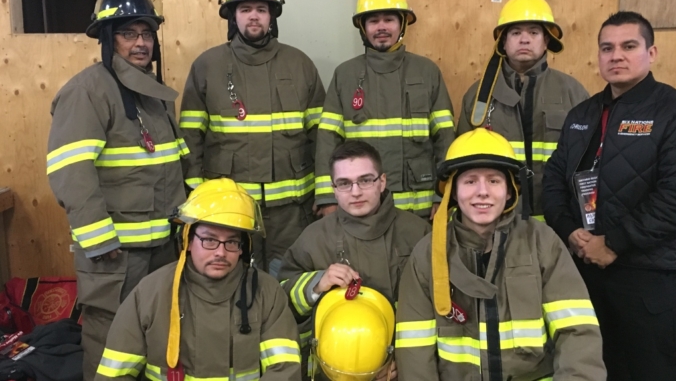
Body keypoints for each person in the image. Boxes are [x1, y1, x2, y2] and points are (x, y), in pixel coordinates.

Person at [543, 11, 676, 381]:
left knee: (649, 371)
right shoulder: (582, 114)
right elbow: (552, 179)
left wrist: (613, 242)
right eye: (607, 48)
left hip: (645, 279)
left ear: (652, 52)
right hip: (582, 270)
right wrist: (569, 231)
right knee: (592, 368)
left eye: (629, 46)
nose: (617, 56)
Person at [46, 0, 187, 380]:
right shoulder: (87, 91)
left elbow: (172, 170)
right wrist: (98, 238)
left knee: (156, 337)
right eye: (129, 33)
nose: (141, 42)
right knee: (111, 347)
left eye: (147, 33)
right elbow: (72, 172)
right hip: (116, 255)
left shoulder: (156, 96)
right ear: (109, 39)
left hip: (161, 248)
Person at [395, 128, 606, 380]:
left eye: (494, 180)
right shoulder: (427, 254)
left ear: (510, 191)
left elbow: (577, 333)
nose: (482, 191)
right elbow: (415, 352)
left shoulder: (542, 243)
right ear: (453, 191)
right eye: (470, 180)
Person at [179, 0, 325, 277]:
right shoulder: (207, 67)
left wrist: (325, 194)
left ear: (272, 14)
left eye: (261, 8)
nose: (254, 16)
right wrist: (197, 199)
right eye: (245, 9)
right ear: (233, 16)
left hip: (293, 214)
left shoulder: (300, 65)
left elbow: (323, 137)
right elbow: (190, 140)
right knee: (233, 287)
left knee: (290, 283)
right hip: (229, 213)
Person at [95, 178, 302, 381]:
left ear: (242, 248)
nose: (221, 252)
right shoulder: (150, 292)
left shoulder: (267, 292)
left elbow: (284, 371)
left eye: (231, 242)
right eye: (209, 240)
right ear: (188, 240)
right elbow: (113, 376)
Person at [278, 141, 430, 380]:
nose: (356, 191)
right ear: (333, 189)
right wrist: (317, 284)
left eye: (365, 180)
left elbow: (437, 311)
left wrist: (404, 360)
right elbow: (279, 302)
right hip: (332, 374)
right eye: (344, 183)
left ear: (382, 182)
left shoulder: (418, 234)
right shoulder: (314, 238)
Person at [314, 0, 454, 220]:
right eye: (373, 20)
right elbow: (328, 141)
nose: (381, 27)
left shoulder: (426, 72)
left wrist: (444, 196)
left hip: (418, 210)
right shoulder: (345, 75)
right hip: (362, 209)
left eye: (389, 19)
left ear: (402, 24)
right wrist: (328, 198)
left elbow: (445, 140)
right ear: (363, 27)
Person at [457, 0, 588, 219]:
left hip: (559, 222)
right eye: (516, 33)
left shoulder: (573, 92)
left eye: (534, 32)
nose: (524, 39)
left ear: (546, 40)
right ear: (503, 42)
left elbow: (589, 163)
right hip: (497, 222)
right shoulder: (479, 97)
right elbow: (463, 166)